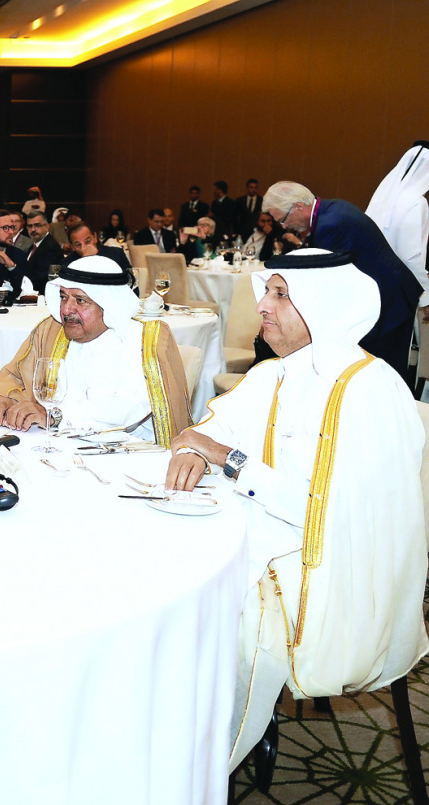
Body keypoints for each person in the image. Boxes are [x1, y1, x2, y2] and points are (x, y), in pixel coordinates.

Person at [164, 249, 428, 770]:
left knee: (217, 610)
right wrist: (196, 448)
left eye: (280, 294)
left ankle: (195, 768)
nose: (262, 305)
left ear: (323, 304)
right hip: (268, 534)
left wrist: (226, 458)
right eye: (267, 292)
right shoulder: (275, 373)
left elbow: (323, 514)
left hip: (337, 571)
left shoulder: (367, 390)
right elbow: (204, 432)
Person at [0, 255, 190, 441]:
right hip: (55, 446)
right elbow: (15, 375)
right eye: (63, 297)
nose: (66, 309)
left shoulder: (144, 341)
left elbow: (126, 410)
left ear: (109, 305)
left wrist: (53, 417)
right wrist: (5, 400)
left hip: (125, 456)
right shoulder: (52, 331)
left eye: (80, 300)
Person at [263, 180, 421, 377]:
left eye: (284, 220)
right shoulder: (331, 209)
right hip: (385, 295)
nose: (285, 226)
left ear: (298, 206)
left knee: (383, 370)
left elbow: (331, 277)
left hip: (388, 301)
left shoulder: (331, 224)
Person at [366, 142, 429, 317]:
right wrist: (427, 297)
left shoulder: (385, 197)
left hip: (373, 283)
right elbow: (411, 256)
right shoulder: (416, 202)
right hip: (397, 289)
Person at [65, 222, 135, 292]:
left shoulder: (116, 254)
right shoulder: (68, 264)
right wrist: (86, 261)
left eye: (88, 241)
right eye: (78, 245)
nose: (84, 247)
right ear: (72, 247)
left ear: (95, 237)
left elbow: (131, 281)